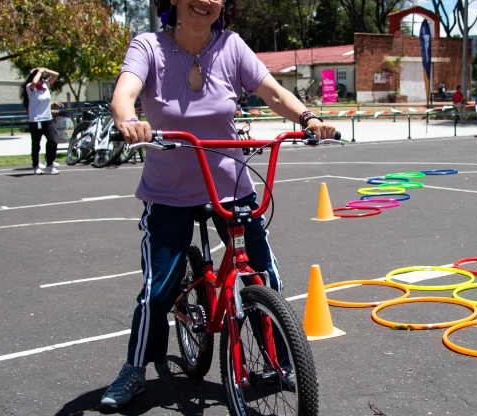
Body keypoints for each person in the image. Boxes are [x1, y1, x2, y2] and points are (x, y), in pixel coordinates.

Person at [100, 0, 336, 410]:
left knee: (265, 276)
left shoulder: (230, 46)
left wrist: (307, 118)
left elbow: (274, 93)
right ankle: (134, 369)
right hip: (170, 191)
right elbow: (126, 91)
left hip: (229, 185)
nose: (205, 1)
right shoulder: (149, 46)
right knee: (159, 289)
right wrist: (128, 120)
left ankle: (278, 358)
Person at [21, 67, 61, 175]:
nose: (43, 80)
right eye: (41, 78)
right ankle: (35, 165)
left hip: (48, 119)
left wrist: (45, 70)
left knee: (53, 141)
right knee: (36, 145)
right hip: (36, 120)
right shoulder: (30, 88)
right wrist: (39, 71)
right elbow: (34, 81)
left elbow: (56, 74)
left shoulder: (46, 86)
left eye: (44, 78)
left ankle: (49, 164)